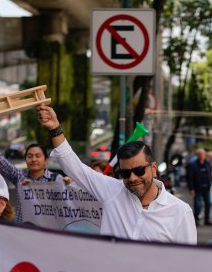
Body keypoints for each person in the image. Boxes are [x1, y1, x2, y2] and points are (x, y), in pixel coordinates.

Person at [38, 105, 196, 244]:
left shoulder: (180, 212)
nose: (133, 178)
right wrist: (55, 128)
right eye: (125, 173)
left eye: (139, 170)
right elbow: (74, 167)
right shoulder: (112, 191)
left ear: (153, 168)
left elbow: (187, 264)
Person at [0, 117, 62, 223]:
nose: (33, 159)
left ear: (46, 161)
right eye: (30, 156)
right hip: (21, 232)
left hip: (46, 234)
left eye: (38, 156)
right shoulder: (19, 176)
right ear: (25, 160)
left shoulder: (56, 180)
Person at [187, 148, 212, 225]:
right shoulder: (193, 165)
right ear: (197, 155)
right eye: (201, 154)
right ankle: (196, 219)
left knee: (208, 203)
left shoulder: (207, 163)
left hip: (207, 187)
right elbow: (190, 177)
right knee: (198, 204)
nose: (202, 156)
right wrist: (191, 188)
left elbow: (209, 173)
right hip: (197, 188)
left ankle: (207, 219)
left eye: (204, 154)